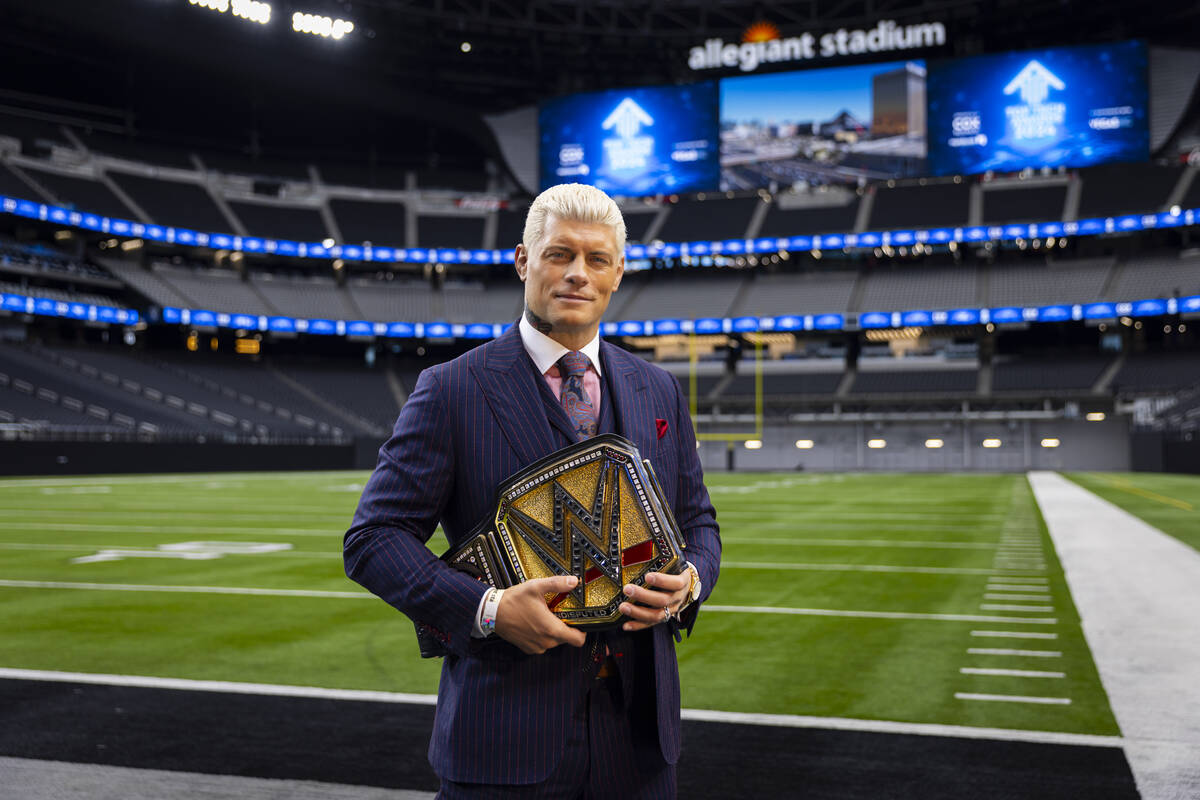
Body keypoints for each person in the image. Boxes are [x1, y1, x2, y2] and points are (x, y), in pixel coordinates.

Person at [344, 183, 721, 798]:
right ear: (524, 261)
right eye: (559, 254)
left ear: (618, 272)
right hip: (503, 738)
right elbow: (373, 540)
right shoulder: (451, 388)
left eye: (596, 259)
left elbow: (697, 523)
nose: (578, 273)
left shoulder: (659, 389)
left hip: (640, 742)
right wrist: (486, 611)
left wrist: (690, 582)